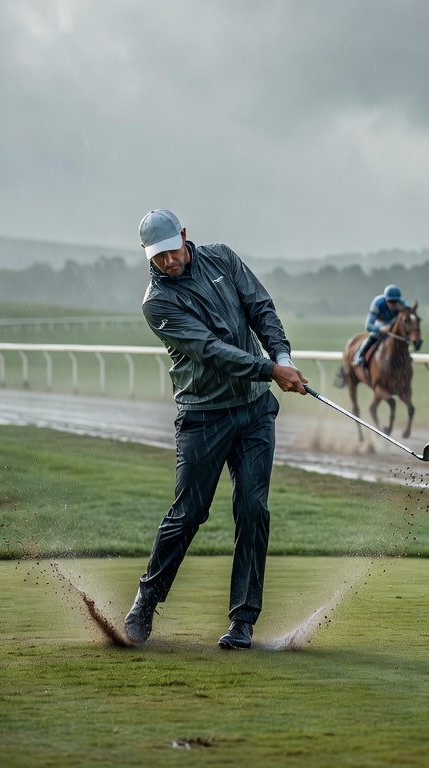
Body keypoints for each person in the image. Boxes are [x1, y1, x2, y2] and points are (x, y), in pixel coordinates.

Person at [124, 209, 309, 650]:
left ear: (184, 236)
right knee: (189, 512)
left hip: (254, 413)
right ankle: (145, 603)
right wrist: (270, 369)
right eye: (157, 257)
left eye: (171, 251)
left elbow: (261, 308)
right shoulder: (157, 302)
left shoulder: (222, 258)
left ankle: (243, 621)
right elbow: (210, 350)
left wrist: (281, 355)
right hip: (203, 415)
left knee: (252, 508)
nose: (167, 262)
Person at [353, 284, 409, 367]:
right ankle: (359, 354)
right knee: (375, 335)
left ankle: (405, 356)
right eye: (391, 302)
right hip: (381, 322)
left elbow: (410, 317)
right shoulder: (378, 303)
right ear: (386, 299)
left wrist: (404, 310)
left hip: (394, 323)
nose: (393, 305)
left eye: (395, 302)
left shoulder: (402, 304)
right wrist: (380, 328)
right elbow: (368, 326)